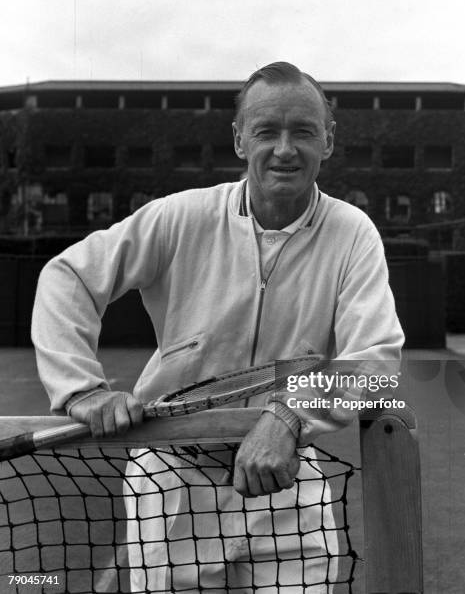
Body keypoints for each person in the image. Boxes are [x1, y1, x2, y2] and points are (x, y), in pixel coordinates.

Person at [32, 61, 404, 593]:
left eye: (302, 131)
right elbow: (67, 277)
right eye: (265, 132)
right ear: (238, 140)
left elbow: (378, 363)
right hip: (172, 477)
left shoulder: (352, 233)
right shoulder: (179, 217)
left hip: (286, 477)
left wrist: (288, 416)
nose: (284, 149)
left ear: (328, 141)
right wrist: (80, 388)